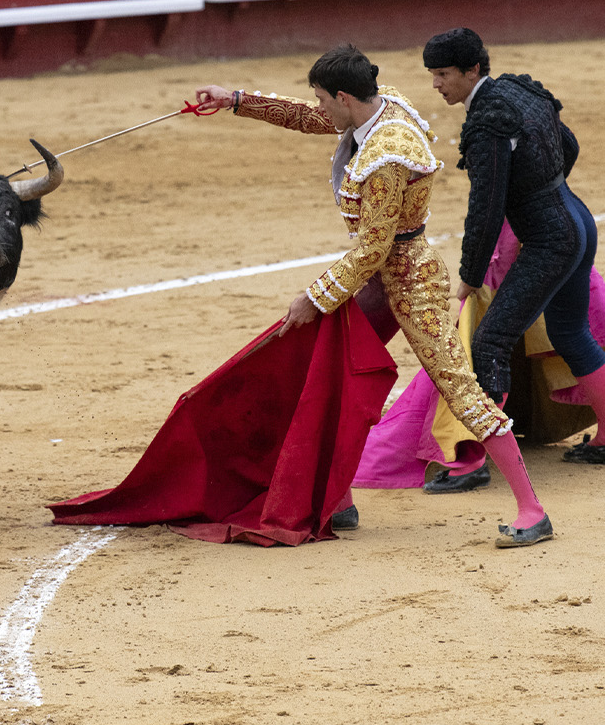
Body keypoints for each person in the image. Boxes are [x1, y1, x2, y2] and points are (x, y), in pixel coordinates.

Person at [195, 44, 553, 547]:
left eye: (323, 98)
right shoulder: (377, 101)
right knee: (328, 367)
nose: (318, 107)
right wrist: (234, 100)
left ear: (344, 96)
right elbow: (313, 119)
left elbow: (373, 248)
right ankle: (336, 501)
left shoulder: (387, 153)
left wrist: (314, 296)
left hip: (408, 280)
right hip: (380, 277)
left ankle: (532, 510)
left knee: (458, 385)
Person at [423, 27, 605, 468]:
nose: (436, 84)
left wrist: (470, 274)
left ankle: (479, 461)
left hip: (550, 238)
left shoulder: (487, 122)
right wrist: (544, 186)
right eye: (432, 74)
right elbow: (569, 145)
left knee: (489, 344)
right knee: (570, 332)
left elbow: (486, 209)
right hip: (577, 219)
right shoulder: (520, 90)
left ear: (472, 70)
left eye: (444, 74)